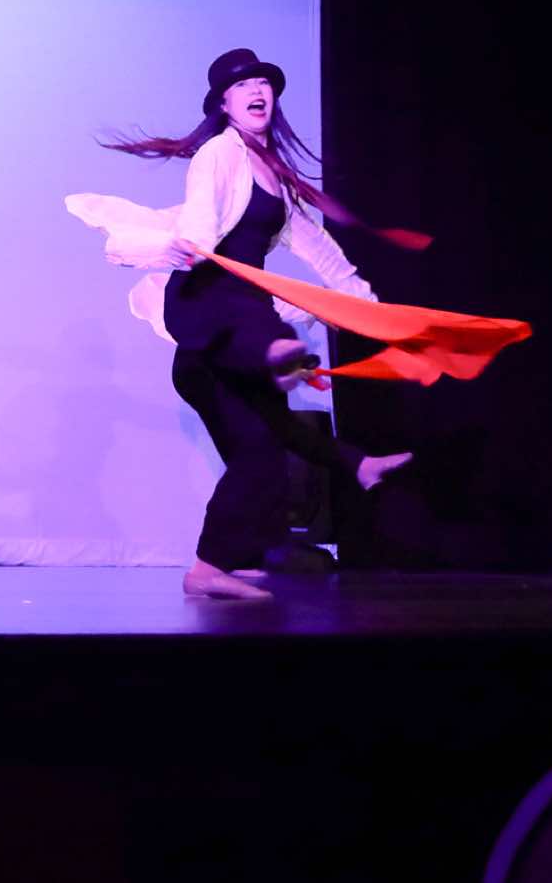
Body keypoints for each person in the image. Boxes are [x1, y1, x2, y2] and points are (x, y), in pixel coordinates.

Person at [74, 47, 413, 600]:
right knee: (261, 348)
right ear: (225, 104)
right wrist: (189, 247)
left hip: (218, 351)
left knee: (267, 449)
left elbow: (322, 252)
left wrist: (373, 311)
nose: (258, 90)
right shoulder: (218, 153)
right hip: (210, 307)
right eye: (243, 85)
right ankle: (280, 358)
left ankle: (352, 467)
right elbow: (201, 217)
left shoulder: (275, 175)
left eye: (263, 83)